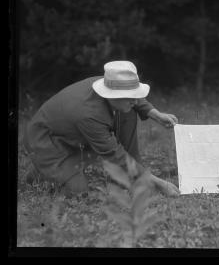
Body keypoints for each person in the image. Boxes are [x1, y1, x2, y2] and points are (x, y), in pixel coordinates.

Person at [23, 60, 180, 197]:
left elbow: (135, 98)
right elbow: (113, 153)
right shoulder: (89, 114)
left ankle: (134, 173)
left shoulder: (110, 82)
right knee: (78, 192)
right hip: (47, 140)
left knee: (129, 110)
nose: (135, 100)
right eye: (130, 97)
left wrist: (156, 114)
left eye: (135, 95)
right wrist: (158, 183)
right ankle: (42, 170)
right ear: (112, 95)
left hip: (74, 131)